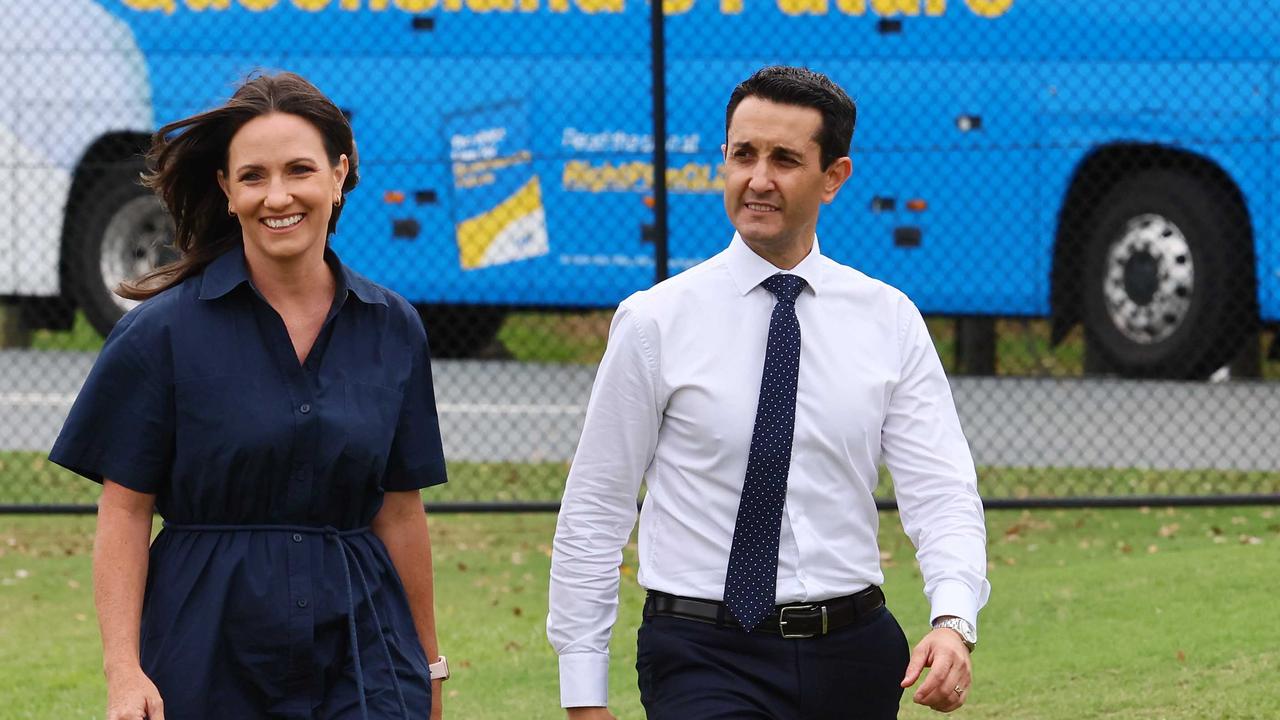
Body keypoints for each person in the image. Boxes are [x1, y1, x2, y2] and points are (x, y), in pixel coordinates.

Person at [547, 65, 990, 719]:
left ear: (834, 176)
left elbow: (942, 490)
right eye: (743, 155)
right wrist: (583, 695)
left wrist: (953, 618)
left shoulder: (888, 318)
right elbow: (595, 509)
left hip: (858, 655)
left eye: (784, 159)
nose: (758, 179)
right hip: (703, 656)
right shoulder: (655, 321)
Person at [49, 72, 449, 720]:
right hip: (205, 647)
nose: (278, 195)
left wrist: (428, 666)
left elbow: (400, 512)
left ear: (340, 173)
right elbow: (123, 513)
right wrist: (124, 671)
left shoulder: (392, 328)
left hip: (363, 648)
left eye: (299, 170)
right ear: (226, 190)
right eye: (254, 176)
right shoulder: (160, 334)